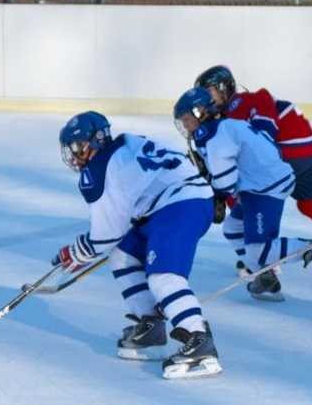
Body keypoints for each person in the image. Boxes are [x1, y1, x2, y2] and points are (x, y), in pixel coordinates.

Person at [53, 111, 221, 378]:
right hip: (172, 203)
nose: (73, 155)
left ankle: (199, 339)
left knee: (163, 276)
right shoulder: (126, 143)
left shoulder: (99, 168)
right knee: (122, 256)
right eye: (70, 149)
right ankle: (151, 326)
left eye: (77, 147)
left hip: (179, 205)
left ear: (96, 140)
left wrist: (78, 252)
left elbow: (106, 233)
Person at [194, 66, 312, 288]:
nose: (204, 99)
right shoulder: (236, 109)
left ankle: (264, 261)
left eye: (208, 91)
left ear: (223, 88)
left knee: (249, 194)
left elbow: (263, 129)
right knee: (310, 202)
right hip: (308, 149)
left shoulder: (238, 105)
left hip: (287, 153)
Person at [173, 87, 312, 302]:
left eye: (187, 119)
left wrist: (212, 192)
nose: (185, 125)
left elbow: (226, 182)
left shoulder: (215, 135)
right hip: (260, 184)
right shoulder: (221, 127)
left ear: (200, 112)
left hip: (265, 188)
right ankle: (266, 278)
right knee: (233, 228)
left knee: (259, 250)